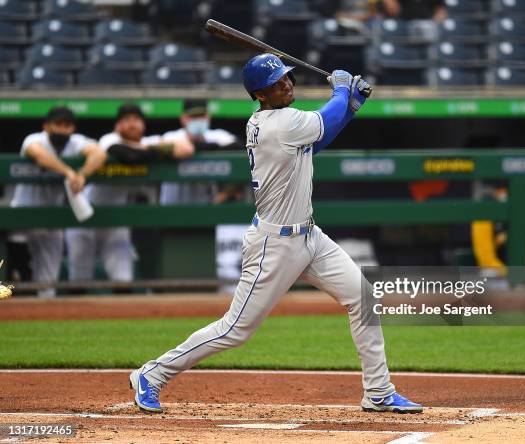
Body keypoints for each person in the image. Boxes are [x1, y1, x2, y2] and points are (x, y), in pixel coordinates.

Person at [129, 54, 423, 414]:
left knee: (362, 297)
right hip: (275, 244)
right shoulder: (278, 122)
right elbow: (322, 120)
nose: (286, 84)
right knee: (236, 330)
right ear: (260, 96)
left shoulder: (283, 124)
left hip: (309, 237)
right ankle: (152, 374)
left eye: (286, 78)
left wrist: (351, 108)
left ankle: (378, 391)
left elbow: (316, 141)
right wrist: (342, 92)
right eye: (275, 83)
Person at [65, 104, 193, 284]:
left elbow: (186, 149)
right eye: (127, 120)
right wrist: (159, 151)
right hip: (87, 215)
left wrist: (146, 149)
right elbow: (128, 156)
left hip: (117, 220)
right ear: (117, 125)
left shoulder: (147, 142)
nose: (132, 124)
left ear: (143, 125)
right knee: (79, 280)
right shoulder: (109, 139)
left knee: (123, 280)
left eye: (136, 120)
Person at [10, 106, 106, 297]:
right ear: (46, 126)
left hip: (53, 219)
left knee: (47, 285)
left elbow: (99, 154)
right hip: (23, 216)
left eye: (67, 125)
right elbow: (38, 154)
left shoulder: (76, 142)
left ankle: (42, 319)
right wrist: (68, 172)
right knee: (20, 280)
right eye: (58, 125)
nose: (63, 130)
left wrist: (83, 174)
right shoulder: (35, 139)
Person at [159, 99, 249, 295]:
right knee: (175, 281)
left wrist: (225, 194)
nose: (197, 120)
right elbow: (178, 148)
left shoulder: (218, 136)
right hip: (173, 218)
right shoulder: (171, 137)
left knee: (206, 281)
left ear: (208, 117)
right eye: (193, 116)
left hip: (207, 219)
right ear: (183, 118)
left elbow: (239, 151)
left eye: (201, 116)